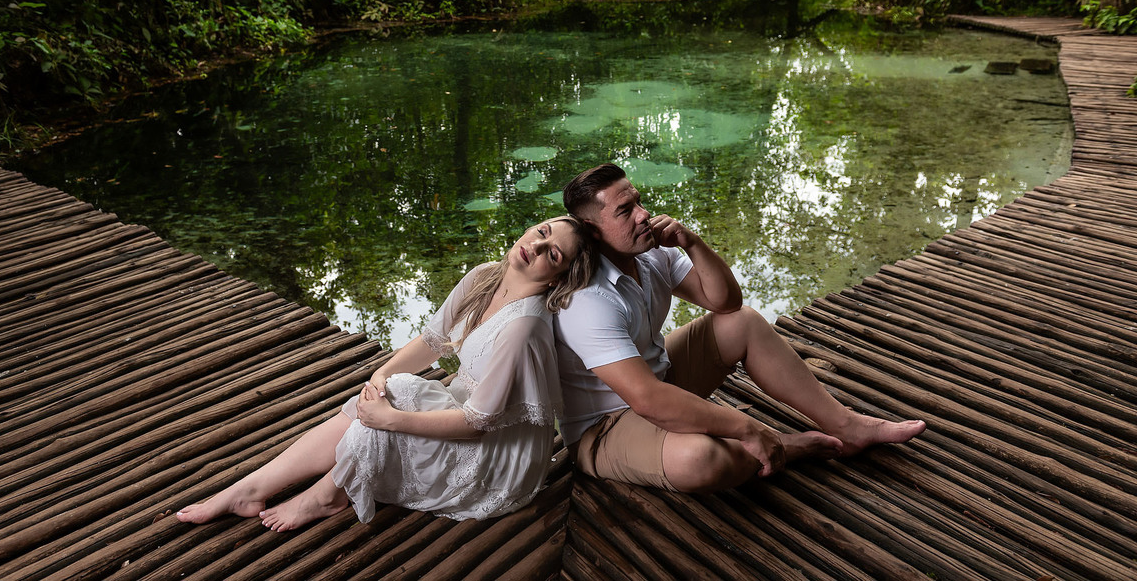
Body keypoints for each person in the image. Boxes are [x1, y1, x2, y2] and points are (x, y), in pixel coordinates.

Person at [177, 216, 597, 530]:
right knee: (390, 390)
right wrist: (380, 374)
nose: (537, 247)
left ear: (560, 276)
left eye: (553, 254)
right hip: (464, 409)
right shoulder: (484, 277)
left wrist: (390, 417)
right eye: (542, 233)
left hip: (497, 457)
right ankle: (252, 487)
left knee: (383, 416)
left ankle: (323, 497)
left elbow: (478, 425)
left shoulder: (523, 327)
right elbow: (431, 343)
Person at [554, 163, 926, 493]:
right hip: (606, 427)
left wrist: (690, 242)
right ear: (593, 230)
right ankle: (783, 445)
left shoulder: (650, 253)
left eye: (638, 201)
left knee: (742, 322)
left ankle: (847, 426)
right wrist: (748, 427)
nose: (643, 214)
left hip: (660, 381)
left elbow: (726, 302)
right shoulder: (589, 301)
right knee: (700, 460)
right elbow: (646, 400)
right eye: (625, 211)